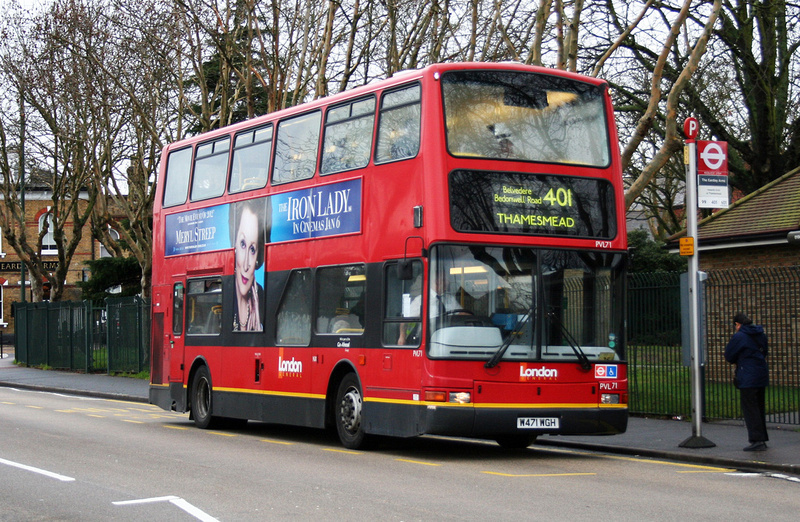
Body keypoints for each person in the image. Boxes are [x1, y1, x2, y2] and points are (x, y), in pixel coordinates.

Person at [724, 312, 769, 451]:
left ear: (738, 324)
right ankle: (762, 438)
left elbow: (729, 355)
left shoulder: (739, 336)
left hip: (747, 375)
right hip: (761, 374)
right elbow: (765, 351)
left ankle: (757, 440)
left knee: (750, 408)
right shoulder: (760, 334)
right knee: (759, 407)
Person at [230, 198, 265, 331]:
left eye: (252, 249)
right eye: (243, 244)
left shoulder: (262, 296)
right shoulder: (225, 295)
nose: (246, 265)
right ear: (234, 245)